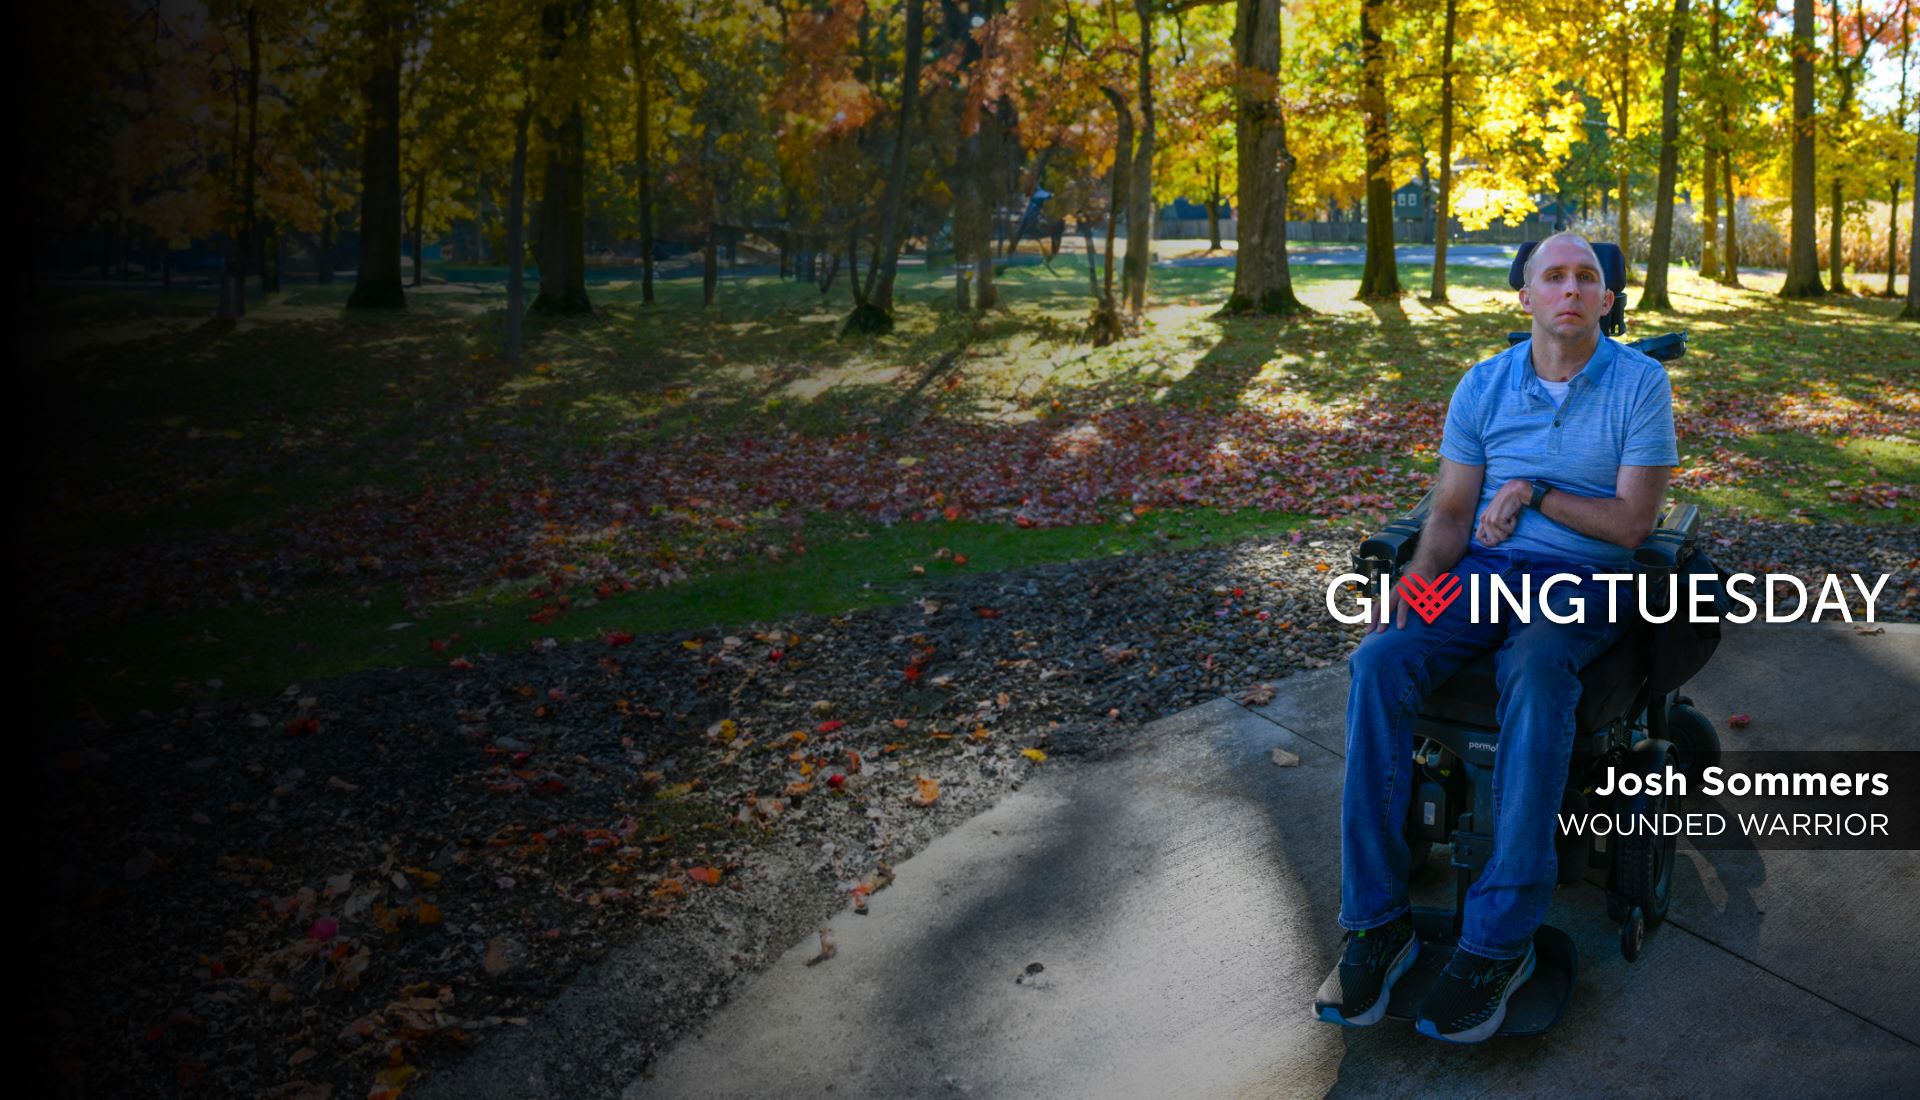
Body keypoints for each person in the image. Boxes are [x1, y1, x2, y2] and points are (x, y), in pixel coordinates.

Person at [1312, 232, 1679, 1043]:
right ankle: (1377, 922)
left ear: (1608, 302)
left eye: (1588, 278)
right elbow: (1448, 513)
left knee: (1541, 666)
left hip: (1587, 581)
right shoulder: (1482, 385)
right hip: (1481, 571)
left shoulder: (1640, 385)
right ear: (1527, 299)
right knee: (1379, 660)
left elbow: (1629, 526)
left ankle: (1499, 942)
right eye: (1555, 276)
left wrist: (1536, 492)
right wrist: (1416, 581)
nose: (1572, 289)